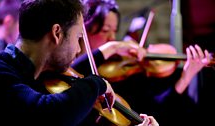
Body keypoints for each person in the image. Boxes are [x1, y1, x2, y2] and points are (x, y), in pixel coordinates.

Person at [0, 0, 159, 126]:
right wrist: (97, 83)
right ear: (57, 33)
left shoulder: (41, 81)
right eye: (78, 37)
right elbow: (48, 115)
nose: (79, 50)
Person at [71, 0, 212, 126]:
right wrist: (112, 47)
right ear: (84, 31)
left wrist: (186, 77)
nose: (112, 38)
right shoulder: (69, 66)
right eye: (105, 30)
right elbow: (73, 71)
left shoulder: (123, 74)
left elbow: (155, 110)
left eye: (114, 31)